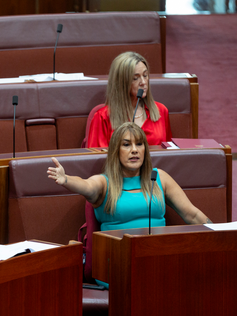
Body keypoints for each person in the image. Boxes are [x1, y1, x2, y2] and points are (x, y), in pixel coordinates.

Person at [49, 122, 211, 232]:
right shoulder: (104, 183)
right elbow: (86, 186)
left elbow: (192, 215)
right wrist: (67, 180)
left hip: (158, 255)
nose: (134, 150)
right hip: (120, 260)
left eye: (139, 144)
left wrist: (223, 234)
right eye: (126, 145)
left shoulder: (158, 177)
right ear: (116, 151)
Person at [87, 51, 173, 148]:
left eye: (145, 75)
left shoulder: (161, 111)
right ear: (122, 83)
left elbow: (168, 152)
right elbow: (96, 158)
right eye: (135, 78)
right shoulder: (102, 117)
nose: (143, 82)